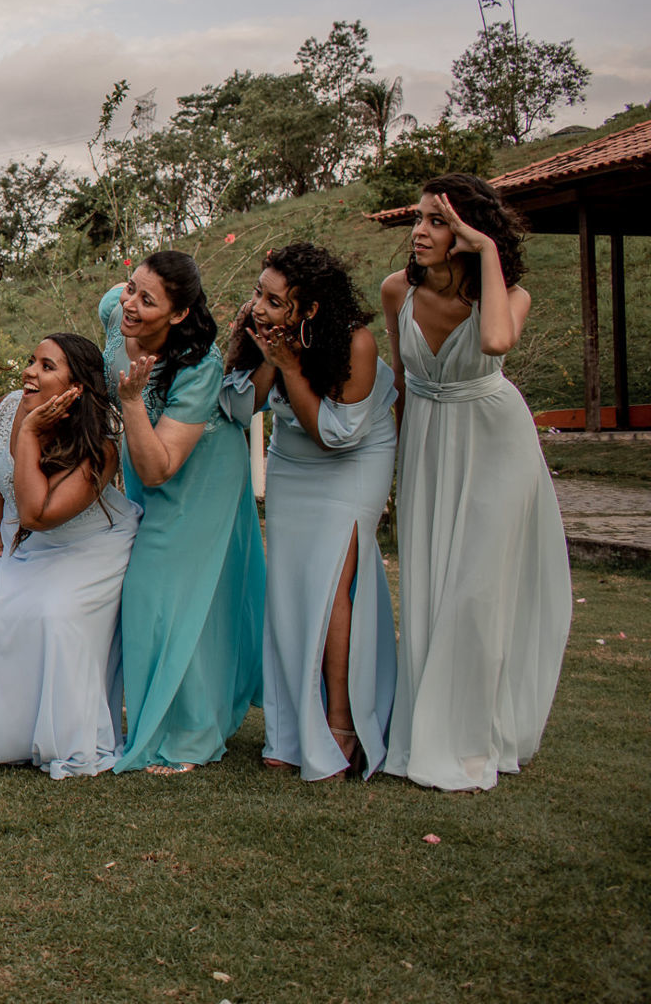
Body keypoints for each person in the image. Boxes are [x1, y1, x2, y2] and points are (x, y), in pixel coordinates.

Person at [380, 174, 570, 791]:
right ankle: (425, 729)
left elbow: (494, 341)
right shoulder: (395, 293)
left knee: (477, 591)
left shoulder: (510, 295)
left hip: (496, 443)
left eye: (439, 220)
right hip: (428, 445)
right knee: (432, 585)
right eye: (420, 218)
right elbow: (404, 384)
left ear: (471, 230)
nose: (421, 231)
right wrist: (394, 464)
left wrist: (485, 252)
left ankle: (467, 740)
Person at [223, 243, 397, 782]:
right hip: (292, 465)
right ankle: (290, 731)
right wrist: (250, 350)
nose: (260, 306)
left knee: (330, 589)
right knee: (289, 591)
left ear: (310, 309)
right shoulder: (262, 334)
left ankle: (341, 722)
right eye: (259, 293)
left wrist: (290, 367)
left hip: (350, 463)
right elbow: (236, 408)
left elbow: (337, 436)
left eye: (274, 301)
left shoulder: (355, 342)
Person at [101, 251, 264, 775]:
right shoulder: (113, 310)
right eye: (131, 287)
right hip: (149, 451)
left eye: (147, 300)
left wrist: (129, 402)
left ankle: (190, 735)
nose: (130, 303)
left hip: (198, 471)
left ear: (176, 315)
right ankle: (158, 713)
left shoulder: (198, 364)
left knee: (170, 589)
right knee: (154, 589)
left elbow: (160, 470)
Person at [0, 333, 139, 778]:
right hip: (25, 540)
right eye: (31, 360)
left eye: (47, 367)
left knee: (55, 615)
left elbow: (39, 513)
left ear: (75, 388)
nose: (29, 372)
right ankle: (16, 736)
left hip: (88, 545)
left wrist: (28, 434)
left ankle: (64, 737)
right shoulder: (4, 408)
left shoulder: (101, 448)